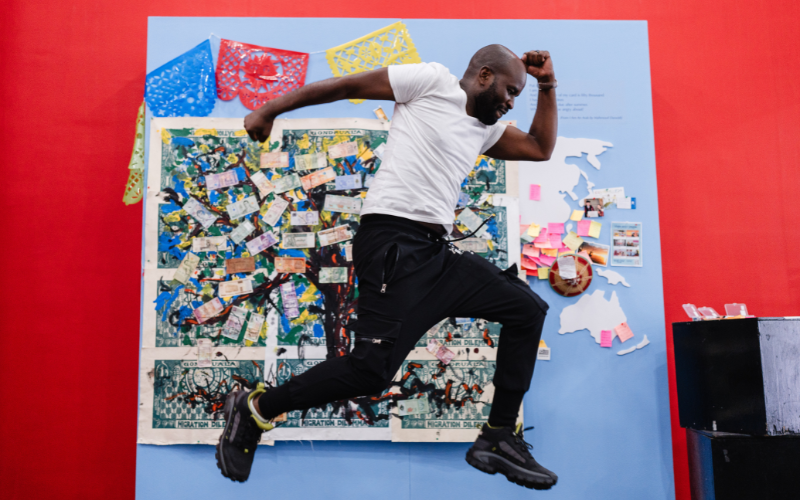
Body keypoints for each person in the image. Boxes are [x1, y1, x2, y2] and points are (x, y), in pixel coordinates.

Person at [217, 44, 559, 490]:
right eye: (511, 90)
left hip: (435, 250)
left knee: (526, 309)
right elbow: (345, 85)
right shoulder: (432, 81)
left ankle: (497, 436)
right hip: (393, 243)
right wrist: (270, 109)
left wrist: (548, 85)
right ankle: (256, 408)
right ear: (483, 75)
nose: (513, 101)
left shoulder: (483, 129)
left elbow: (539, 148)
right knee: (370, 371)